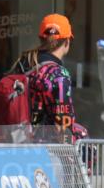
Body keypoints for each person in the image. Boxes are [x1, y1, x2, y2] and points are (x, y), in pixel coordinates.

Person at [10, 14, 81, 143]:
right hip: (46, 151)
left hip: (18, 143)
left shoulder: (23, 63)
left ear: (41, 38)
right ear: (67, 41)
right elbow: (63, 124)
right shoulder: (58, 74)